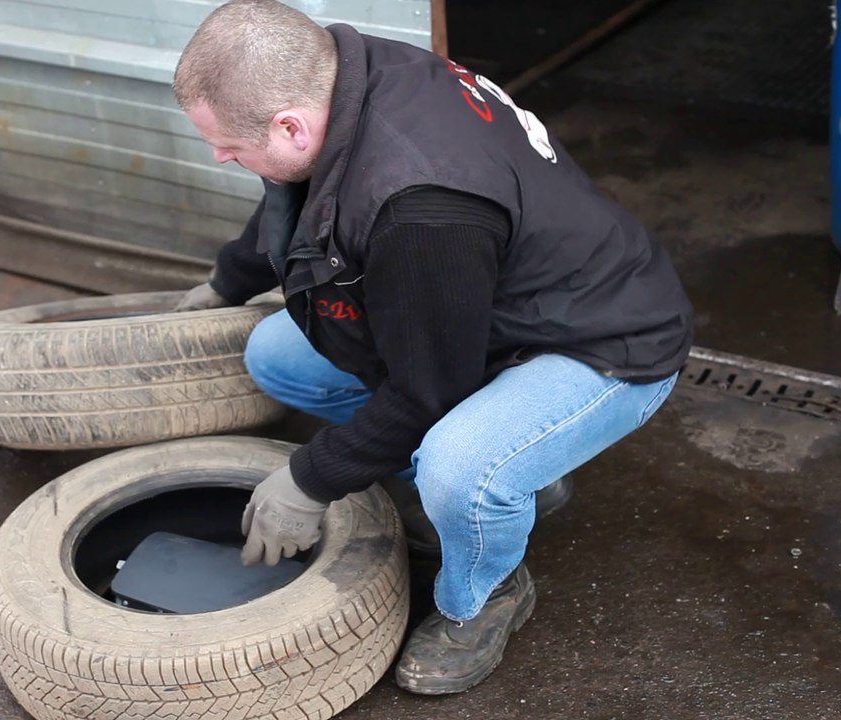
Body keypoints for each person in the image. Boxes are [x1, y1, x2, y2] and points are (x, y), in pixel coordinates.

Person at [172, 0, 693, 695]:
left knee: (459, 468)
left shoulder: (420, 204)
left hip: (605, 341)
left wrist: (309, 480)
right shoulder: (341, 76)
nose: (219, 157)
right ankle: (526, 466)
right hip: (494, 305)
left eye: (230, 148)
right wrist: (224, 283)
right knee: (276, 352)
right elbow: (291, 200)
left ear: (291, 123)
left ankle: (486, 594)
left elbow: (428, 392)